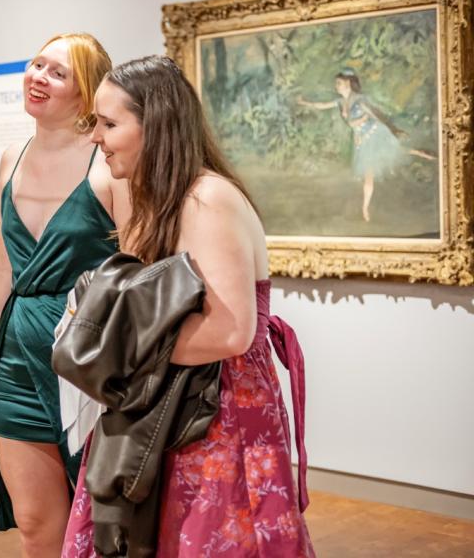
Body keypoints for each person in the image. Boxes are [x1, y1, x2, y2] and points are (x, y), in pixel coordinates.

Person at [62, 55, 314, 557]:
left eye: (109, 124)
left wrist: (117, 350)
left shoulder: (207, 199)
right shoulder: (161, 197)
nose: (96, 137)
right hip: (172, 401)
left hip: (217, 409)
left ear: (154, 126)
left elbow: (230, 333)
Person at [0, 32, 131, 556]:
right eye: (37, 64)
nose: (38, 76)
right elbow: (4, 268)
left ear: (86, 95)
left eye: (57, 72)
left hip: (89, 359)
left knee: (104, 520)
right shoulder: (10, 157)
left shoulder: (108, 166)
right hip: (17, 355)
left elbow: (138, 270)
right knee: (37, 522)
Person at [298, 67, 435, 222]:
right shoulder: (340, 101)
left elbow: (376, 114)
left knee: (395, 152)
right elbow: (321, 105)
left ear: (348, 83)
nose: (336, 86)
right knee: (369, 174)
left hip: (374, 135)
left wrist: (394, 129)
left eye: (339, 83)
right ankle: (365, 208)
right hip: (361, 140)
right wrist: (305, 102)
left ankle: (422, 153)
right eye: (336, 83)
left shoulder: (360, 100)